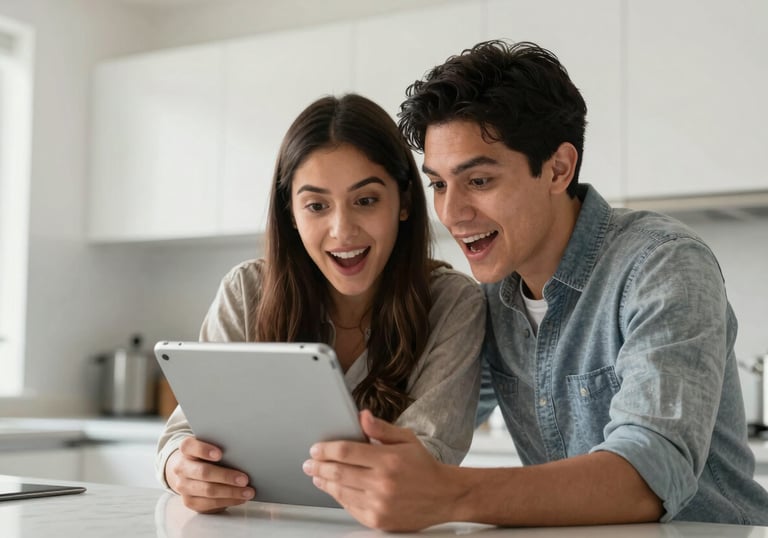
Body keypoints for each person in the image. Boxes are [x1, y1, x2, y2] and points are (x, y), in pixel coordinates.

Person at [303, 41, 768, 530]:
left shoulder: (662, 265)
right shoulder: (488, 298)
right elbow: (425, 419)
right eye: (438, 185)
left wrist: (451, 495)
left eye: (478, 181)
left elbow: (650, 474)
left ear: (558, 168)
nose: (451, 213)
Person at [155, 93, 485, 513]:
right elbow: (182, 434)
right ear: (291, 213)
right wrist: (181, 467)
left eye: (365, 201)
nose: (342, 230)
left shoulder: (453, 303)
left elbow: (427, 459)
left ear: (403, 202)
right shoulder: (245, 292)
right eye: (316, 206)